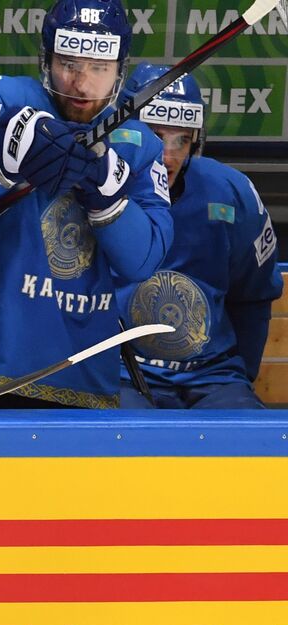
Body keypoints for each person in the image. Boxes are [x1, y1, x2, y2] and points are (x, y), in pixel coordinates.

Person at [0, 0, 172, 408]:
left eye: (99, 67)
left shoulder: (139, 143)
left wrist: (110, 200)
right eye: (69, 64)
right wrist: (0, 160)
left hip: (84, 370)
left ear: (119, 69)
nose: (81, 84)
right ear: (47, 58)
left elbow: (143, 262)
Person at [116, 66, 282, 409]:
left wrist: (237, 379)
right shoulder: (97, 190)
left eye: (182, 139)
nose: (168, 156)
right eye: (156, 136)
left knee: (244, 430)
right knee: (125, 434)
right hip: (120, 374)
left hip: (213, 378)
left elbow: (254, 296)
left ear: (197, 140)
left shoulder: (232, 193)